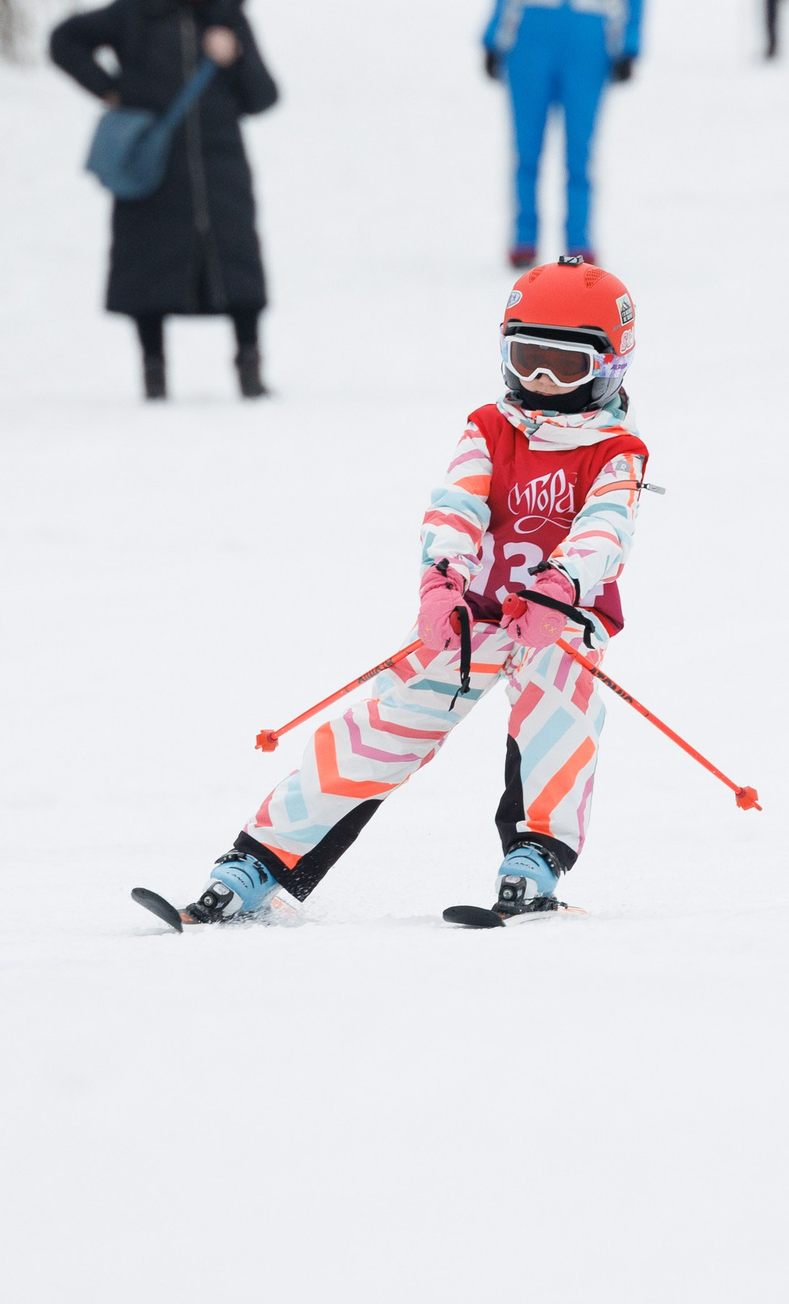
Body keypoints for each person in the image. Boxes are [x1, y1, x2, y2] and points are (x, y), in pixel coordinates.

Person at [134, 259, 651, 929]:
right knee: (384, 726)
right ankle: (259, 862)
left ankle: (534, 862)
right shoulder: (488, 429)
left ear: (610, 366)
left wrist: (559, 588)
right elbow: (455, 506)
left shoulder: (617, 451)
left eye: (565, 365)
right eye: (528, 359)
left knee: (558, 711)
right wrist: (442, 580)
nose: (543, 382)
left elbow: (607, 526)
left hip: (558, 620)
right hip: (475, 615)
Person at [50, 0, 280, 401]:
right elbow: (64, 40)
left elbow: (262, 97)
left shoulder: (229, 15)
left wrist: (233, 55)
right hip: (152, 165)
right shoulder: (134, 11)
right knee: (146, 267)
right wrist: (108, 89)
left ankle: (249, 367)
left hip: (221, 168)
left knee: (236, 266)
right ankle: (153, 375)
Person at [483, 0, 644, 268]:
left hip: (587, 42)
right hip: (534, 38)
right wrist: (494, 37)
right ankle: (523, 236)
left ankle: (579, 240)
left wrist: (629, 45)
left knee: (580, 148)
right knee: (526, 146)